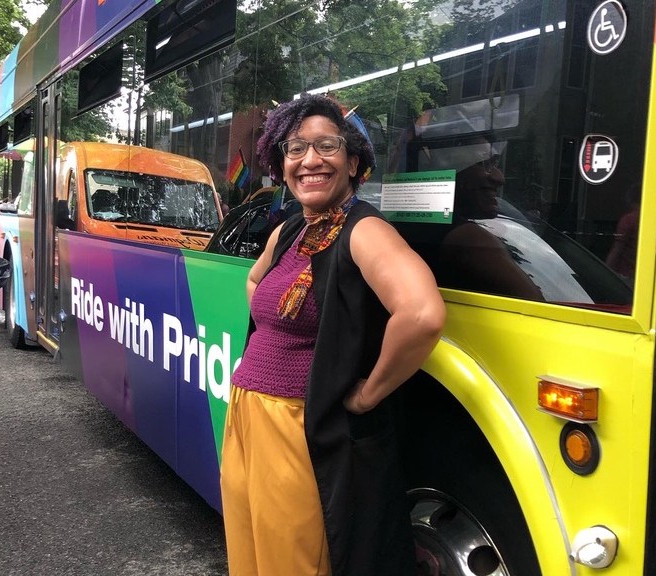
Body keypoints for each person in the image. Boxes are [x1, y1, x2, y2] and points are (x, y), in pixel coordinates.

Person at [220, 94, 446, 576]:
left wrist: (367, 394)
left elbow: (422, 314)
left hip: (300, 429)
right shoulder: (291, 230)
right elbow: (255, 282)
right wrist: (273, 340)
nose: (310, 160)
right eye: (295, 148)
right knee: (250, 551)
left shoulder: (364, 230)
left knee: (294, 561)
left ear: (353, 162)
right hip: (248, 415)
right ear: (282, 165)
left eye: (327, 145)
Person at [438, 161, 544, 300]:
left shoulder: (503, 217)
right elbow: (536, 302)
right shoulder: (469, 238)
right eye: (483, 164)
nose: (499, 177)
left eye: (495, 165)